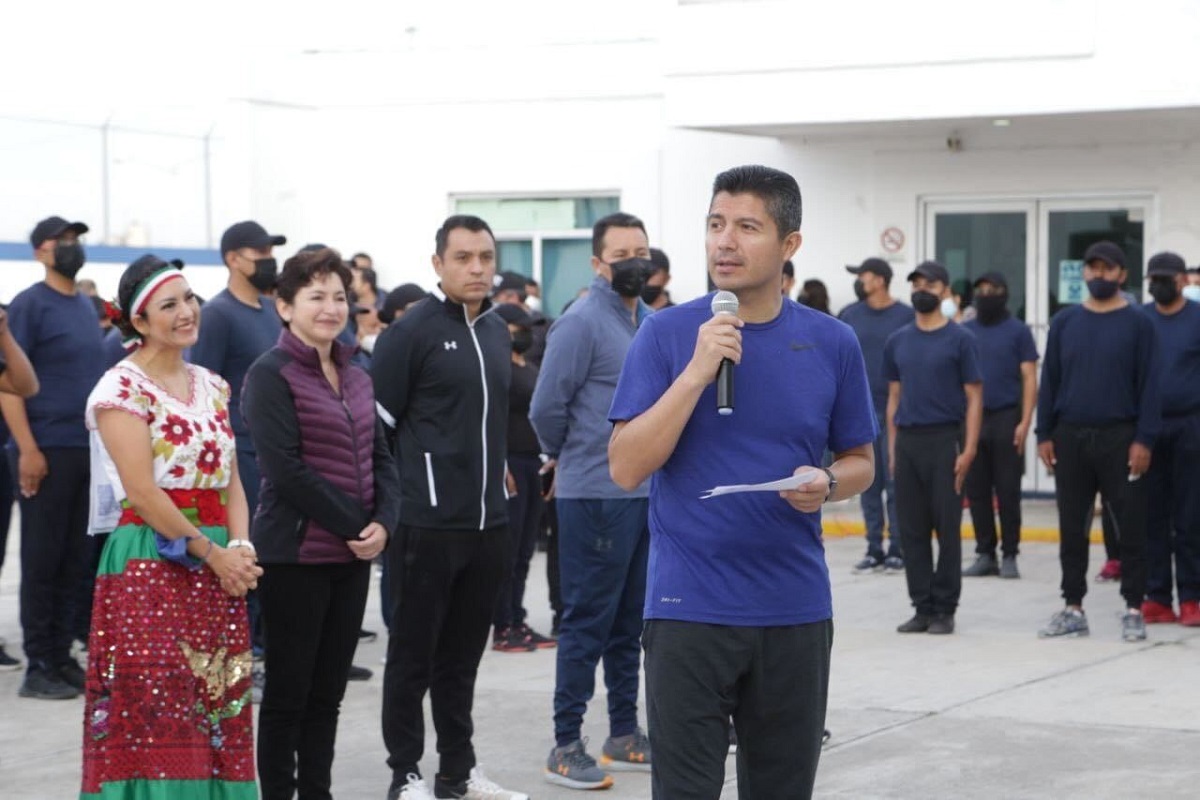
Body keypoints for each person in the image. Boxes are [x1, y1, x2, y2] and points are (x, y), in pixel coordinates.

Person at [608, 165, 877, 799]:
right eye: (715, 225)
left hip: (794, 611)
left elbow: (861, 461)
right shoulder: (668, 334)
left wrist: (828, 482)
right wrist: (697, 372)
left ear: (790, 245)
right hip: (687, 612)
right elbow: (625, 466)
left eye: (747, 227)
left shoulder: (832, 341)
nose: (724, 243)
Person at [81, 255, 263, 798]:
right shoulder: (119, 390)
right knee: (158, 702)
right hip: (150, 560)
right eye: (169, 305)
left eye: (189, 299)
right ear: (138, 322)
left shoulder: (213, 385)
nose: (187, 312)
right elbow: (142, 491)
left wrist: (241, 546)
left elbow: (231, 479)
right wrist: (214, 553)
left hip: (216, 560)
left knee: (216, 697)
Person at [373, 215, 528, 800]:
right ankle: (405, 774)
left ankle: (457, 773)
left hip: (488, 524)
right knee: (412, 658)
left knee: (462, 659)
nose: (477, 268)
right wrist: (395, 507)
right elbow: (379, 431)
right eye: (463, 257)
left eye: (485, 257)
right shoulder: (409, 333)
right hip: (425, 525)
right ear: (437, 264)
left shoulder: (493, 330)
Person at [242, 248, 401, 799]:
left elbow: (382, 456)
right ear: (284, 307)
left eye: (339, 296)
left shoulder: (357, 373)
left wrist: (385, 520)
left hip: (350, 559)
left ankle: (318, 791)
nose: (331, 307)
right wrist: (359, 526)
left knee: (328, 693)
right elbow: (285, 469)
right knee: (288, 693)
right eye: (316, 297)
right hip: (294, 556)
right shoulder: (269, 375)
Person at [531, 212, 654, 790]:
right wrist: (570, 456)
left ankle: (624, 733)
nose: (635, 261)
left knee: (631, 621)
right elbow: (545, 408)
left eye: (642, 250)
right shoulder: (580, 323)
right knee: (587, 621)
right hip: (594, 494)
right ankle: (565, 743)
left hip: (646, 492)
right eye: (622, 252)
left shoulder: (650, 322)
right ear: (598, 263)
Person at [1036, 241, 1160, 642]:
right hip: (1070, 436)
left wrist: (1144, 438)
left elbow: (1150, 387)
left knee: (1130, 526)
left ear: (1122, 275)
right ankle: (1073, 606)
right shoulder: (1066, 322)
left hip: (1122, 438)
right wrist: (1044, 433)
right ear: (1084, 273)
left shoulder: (1140, 323)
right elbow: (1049, 380)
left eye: (1107, 269)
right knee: (1072, 525)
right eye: (1092, 269)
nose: (1099, 276)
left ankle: (1133, 607)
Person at [2, 215, 101, 700]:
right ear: (41, 251)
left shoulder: (84, 306)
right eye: (62, 241)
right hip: (45, 447)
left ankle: (61, 655)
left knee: (74, 559)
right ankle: (38, 663)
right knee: (42, 559)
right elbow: (7, 385)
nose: (71, 247)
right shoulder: (28, 305)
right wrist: (26, 448)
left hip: (85, 448)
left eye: (75, 240)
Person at [188, 220, 286, 667]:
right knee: (244, 552)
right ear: (233, 258)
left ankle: (270, 648)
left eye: (270, 251)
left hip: (274, 452)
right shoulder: (219, 315)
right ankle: (247, 657)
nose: (268, 260)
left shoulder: (269, 311)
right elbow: (201, 387)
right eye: (259, 252)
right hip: (238, 453)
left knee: (273, 556)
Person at [884, 260, 983, 636]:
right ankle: (921, 606)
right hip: (908, 440)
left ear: (944, 290)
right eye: (916, 283)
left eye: (929, 283)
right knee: (911, 528)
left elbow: (974, 397)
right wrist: (893, 448)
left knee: (947, 527)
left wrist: (969, 448)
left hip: (945, 439)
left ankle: (945, 607)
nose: (921, 289)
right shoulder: (899, 340)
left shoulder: (961, 340)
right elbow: (894, 397)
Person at [839, 258, 913, 573]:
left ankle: (898, 548)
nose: (859, 281)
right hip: (859, 411)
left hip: (896, 412)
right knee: (868, 483)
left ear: (880, 280)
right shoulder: (849, 315)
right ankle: (873, 548)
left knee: (895, 484)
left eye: (863, 276)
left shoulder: (906, 316)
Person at [962, 272, 1038, 579]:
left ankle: (1010, 553)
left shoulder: (1018, 331)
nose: (985, 295)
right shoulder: (964, 332)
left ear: (1005, 293)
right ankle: (985, 552)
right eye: (980, 290)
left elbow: (1030, 377)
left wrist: (1025, 421)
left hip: (1006, 417)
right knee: (977, 491)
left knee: (1008, 491)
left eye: (992, 290)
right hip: (973, 420)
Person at [1139, 252, 1200, 627]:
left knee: (1190, 516)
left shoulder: (1197, 318)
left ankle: (1192, 596)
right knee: (1152, 516)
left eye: (1166, 278)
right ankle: (1157, 595)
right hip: (1148, 430)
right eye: (1153, 278)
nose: (1159, 284)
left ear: (1181, 280)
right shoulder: (1139, 320)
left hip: (1191, 427)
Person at [491, 303, 555, 653]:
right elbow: (491, 418)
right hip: (510, 464)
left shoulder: (527, 366)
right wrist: (500, 466)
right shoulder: (496, 368)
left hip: (532, 463)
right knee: (509, 549)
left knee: (526, 549)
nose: (528, 334)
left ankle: (517, 618)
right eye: (521, 328)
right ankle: (502, 625)